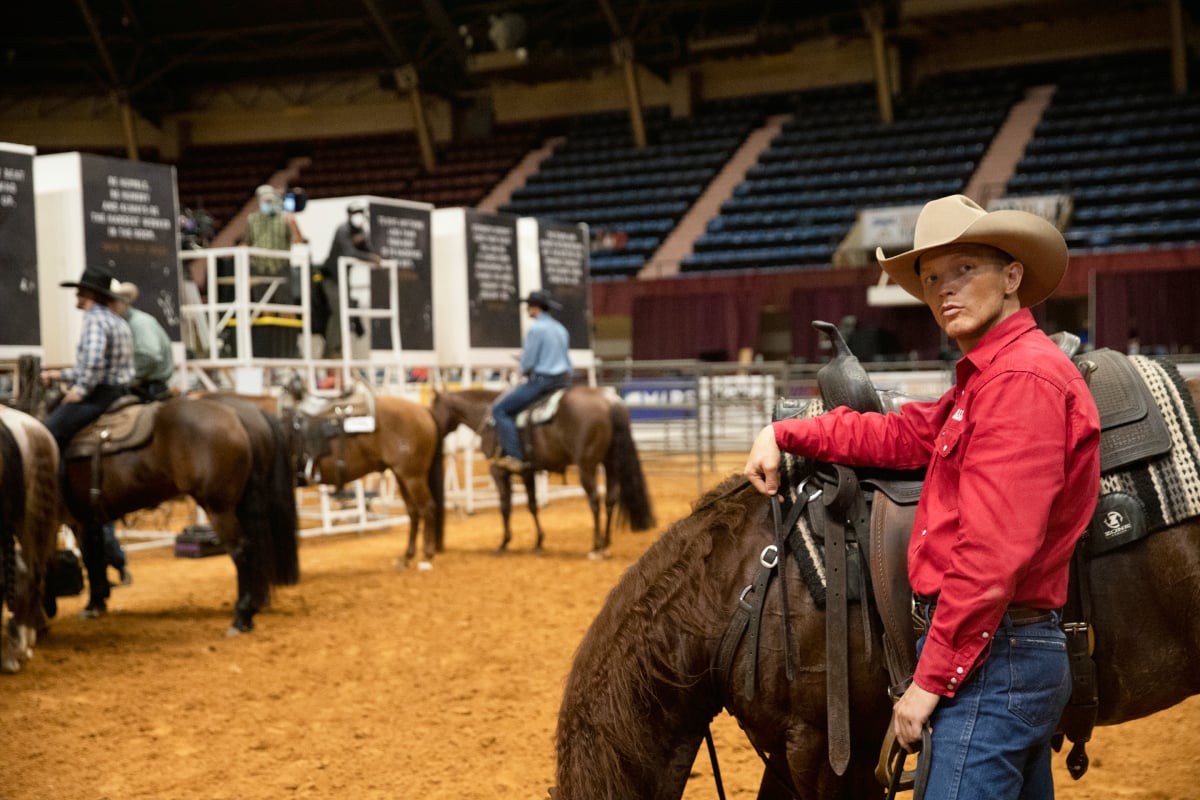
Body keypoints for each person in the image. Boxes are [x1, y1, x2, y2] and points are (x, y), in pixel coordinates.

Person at [743, 195, 1101, 799]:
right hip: (1004, 656)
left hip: (990, 661)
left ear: (1013, 276)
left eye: (964, 270)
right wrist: (784, 431)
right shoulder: (992, 377)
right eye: (931, 278)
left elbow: (990, 556)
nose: (943, 290)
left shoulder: (1018, 381)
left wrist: (931, 682)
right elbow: (900, 433)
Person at [41, 263, 135, 617]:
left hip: (99, 394)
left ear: (91, 295)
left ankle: (56, 491)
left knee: (47, 434)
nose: (78, 298)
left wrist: (77, 390)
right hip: (120, 391)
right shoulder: (117, 320)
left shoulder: (95, 319)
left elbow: (93, 365)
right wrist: (60, 375)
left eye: (81, 292)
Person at [490, 290, 573, 472]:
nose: (527, 309)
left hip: (542, 381)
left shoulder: (536, 329)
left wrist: (522, 365)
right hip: (563, 381)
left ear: (535, 308)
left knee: (499, 410)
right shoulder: (561, 329)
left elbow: (529, 362)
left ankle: (514, 456)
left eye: (528, 306)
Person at [319, 199, 380, 359]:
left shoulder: (361, 232)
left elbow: (371, 252)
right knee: (339, 313)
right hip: (331, 278)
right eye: (355, 214)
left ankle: (334, 352)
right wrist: (369, 257)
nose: (358, 217)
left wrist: (369, 250)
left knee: (345, 314)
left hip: (343, 280)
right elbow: (349, 252)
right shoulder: (343, 230)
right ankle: (333, 352)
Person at [113, 281, 175, 402]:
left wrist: (123, 377)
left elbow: (148, 356)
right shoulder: (129, 323)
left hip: (148, 389)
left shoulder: (139, 323)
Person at [244, 184, 304, 306]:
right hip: (259, 267)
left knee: (286, 306)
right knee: (264, 307)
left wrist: (293, 224)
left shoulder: (284, 218)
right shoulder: (252, 219)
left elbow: (298, 241)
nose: (268, 203)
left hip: (280, 267)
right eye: (265, 200)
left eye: (270, 200)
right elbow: (248, 242)